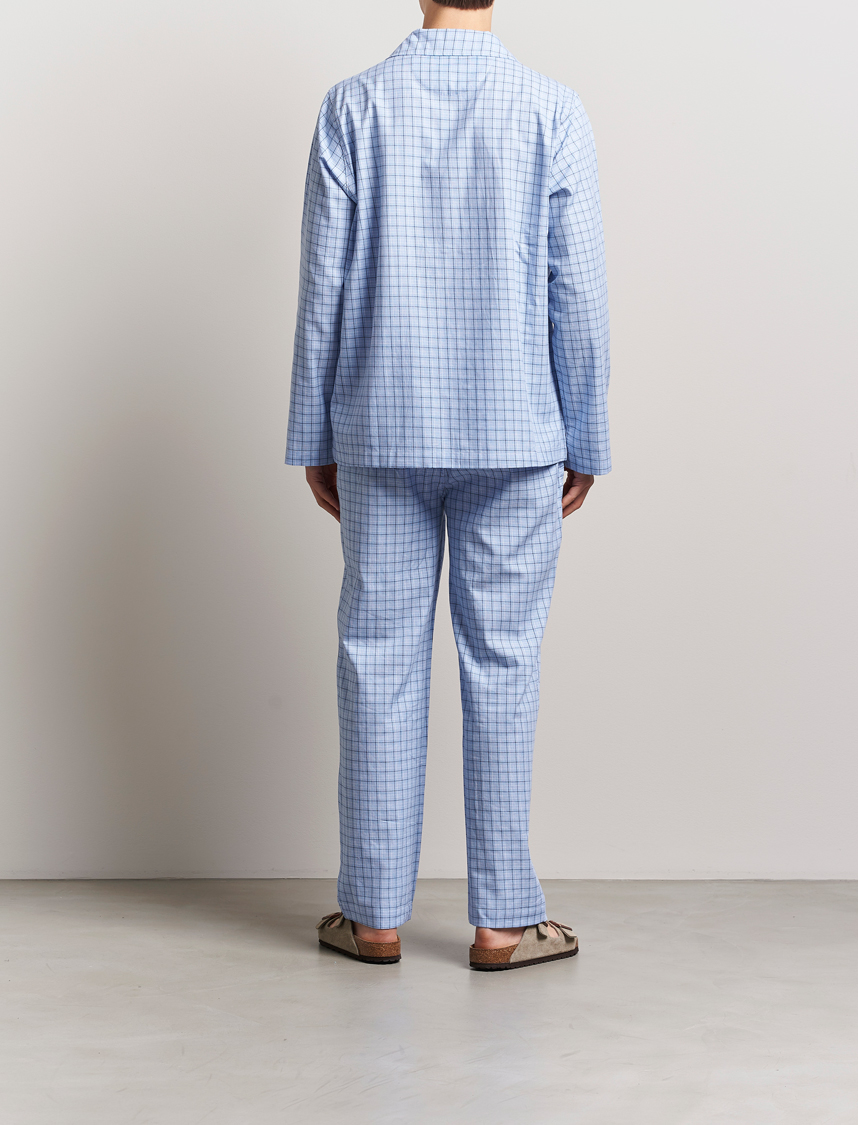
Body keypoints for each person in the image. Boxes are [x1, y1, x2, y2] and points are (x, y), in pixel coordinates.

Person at [287, 0, 609, 971]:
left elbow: (323, 285)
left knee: (377, 659)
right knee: (503, 664)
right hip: (516, 430)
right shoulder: (552, 109)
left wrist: (314, 434)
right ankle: (503, 921)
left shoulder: (353, 106)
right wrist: (587, 435)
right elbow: (577, 288)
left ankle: (374, 917)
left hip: (382, 424)